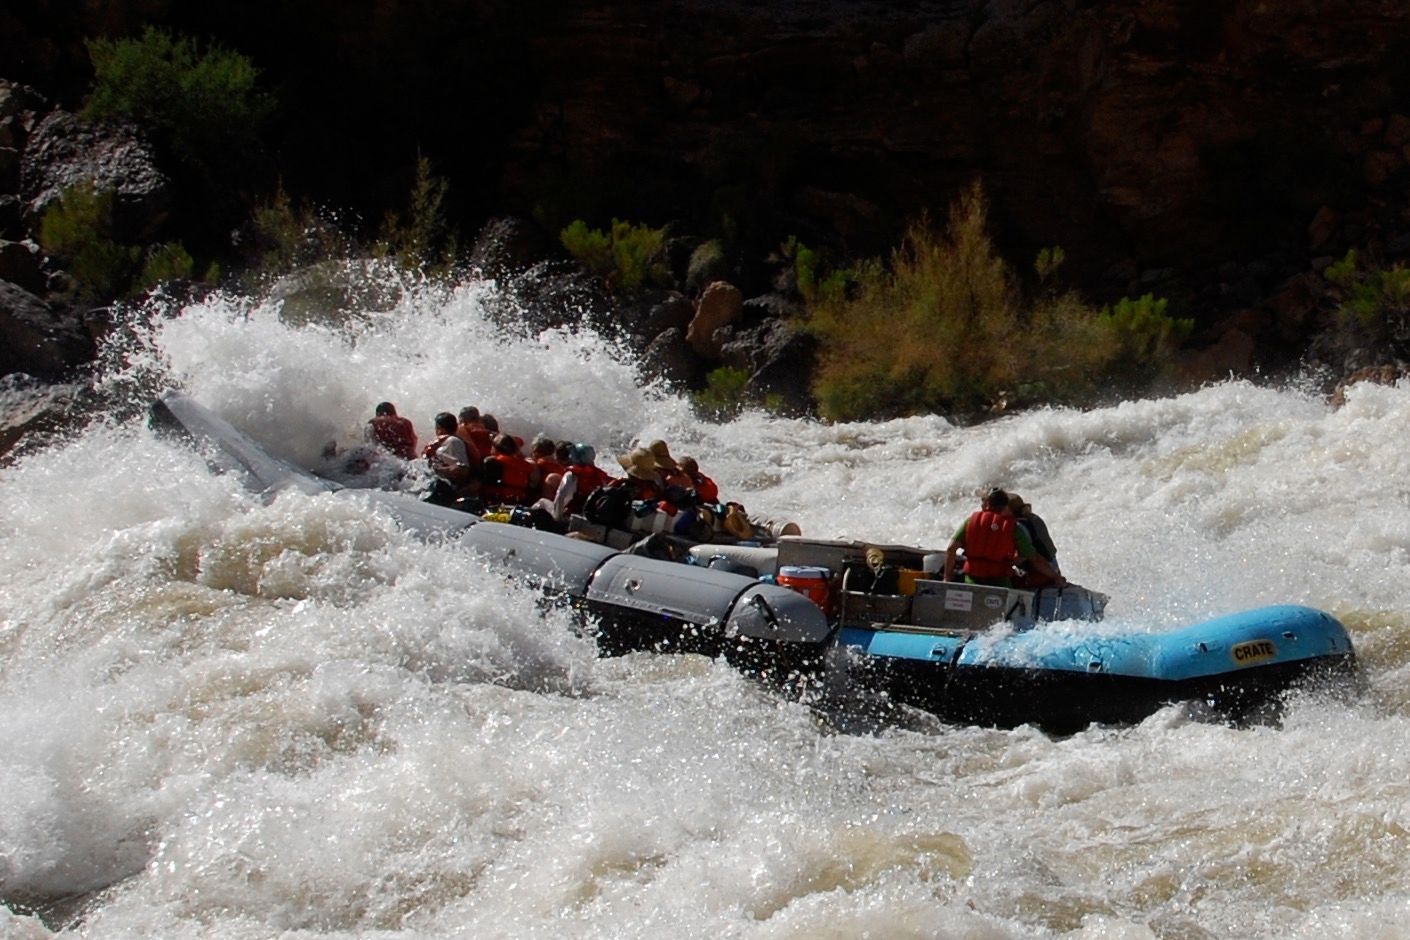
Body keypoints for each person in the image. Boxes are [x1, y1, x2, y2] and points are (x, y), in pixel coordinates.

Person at [943, 488, 1065, 588]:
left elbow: (951, 549)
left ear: (987, 505)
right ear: (1005, 506)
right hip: (1000, 583)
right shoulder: (1015, 528)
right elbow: (1035, 559)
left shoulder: (970, 522)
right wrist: (1056, 577)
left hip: (972, 580)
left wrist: (947, 577)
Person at [1008, 493, 1060, 586]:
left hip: (1043, 572)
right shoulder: (1034, 518)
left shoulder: (1019, 526)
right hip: (1053, 565)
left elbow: (1030, 556)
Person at [422, 411, 472, 505]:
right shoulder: (444, 442)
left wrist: (437, 469)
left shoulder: (453, 441)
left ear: (439, 428)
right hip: (436, 485)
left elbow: (462, 469)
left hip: (445, 489)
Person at [480, 433, 536, 506]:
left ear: (495, 447)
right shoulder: (526, 465)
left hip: (494, 502)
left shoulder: (492, 462)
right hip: (518, 503)